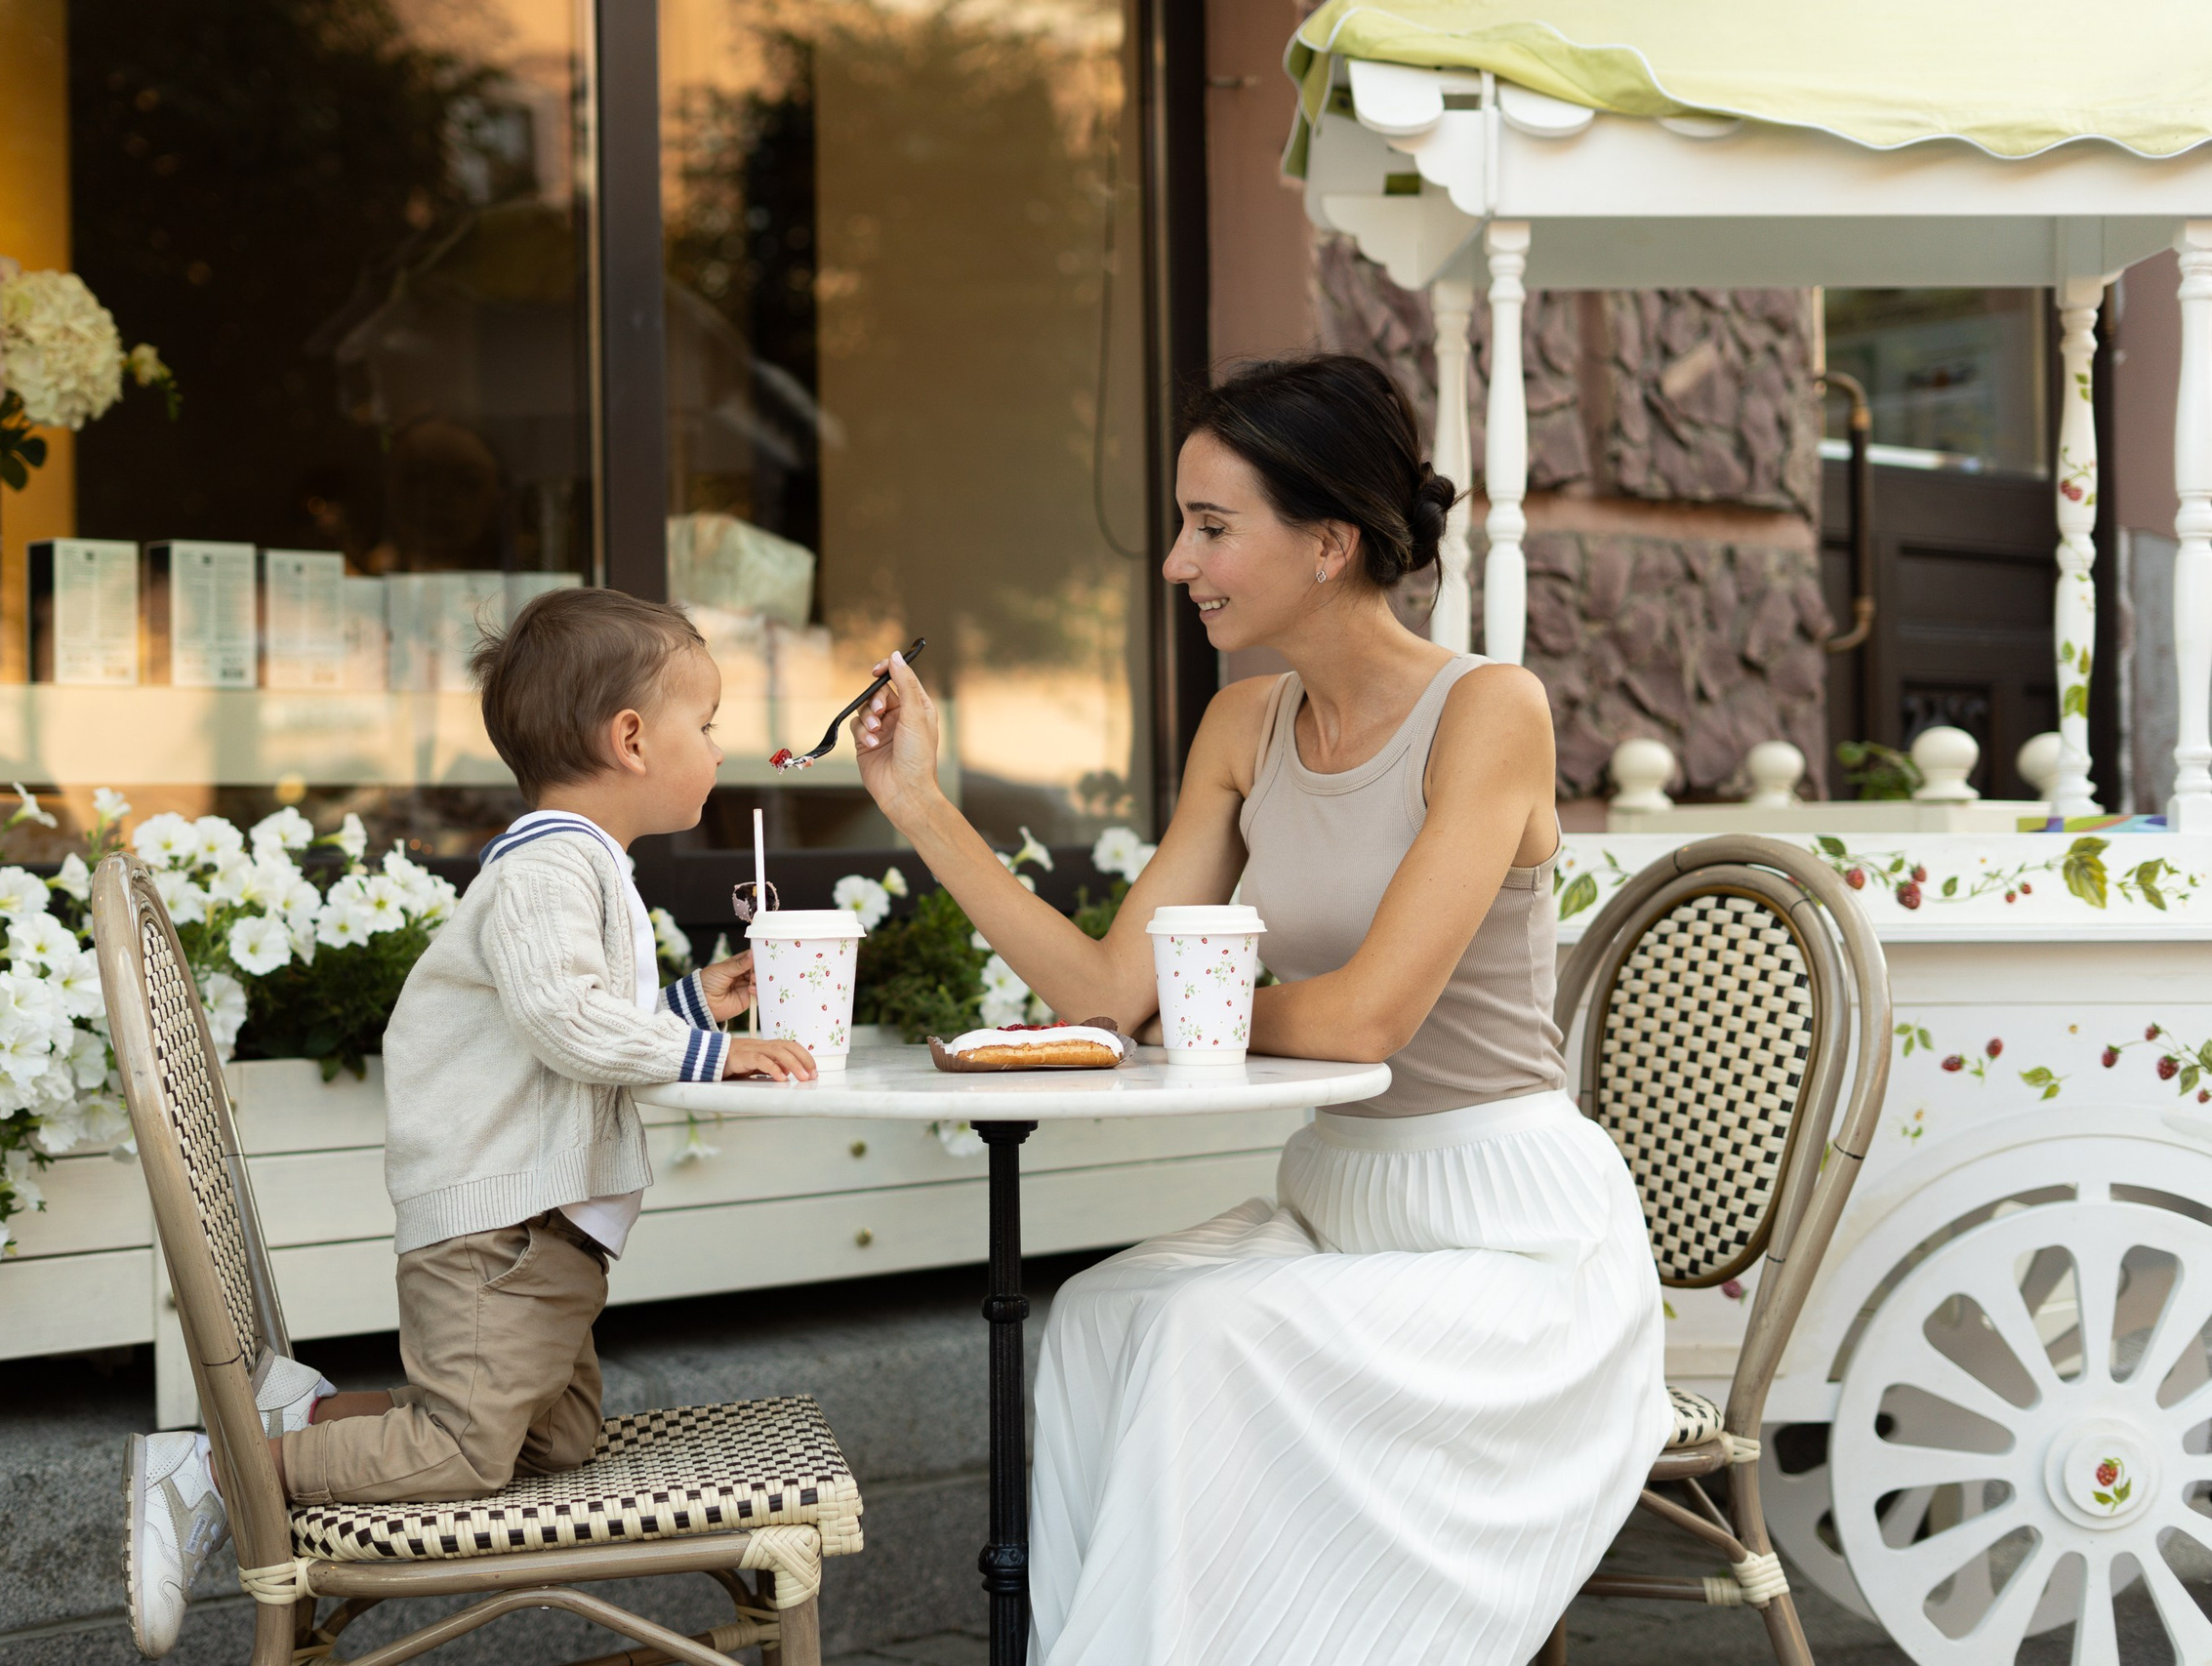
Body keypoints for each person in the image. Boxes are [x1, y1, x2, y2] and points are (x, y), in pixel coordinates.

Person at [852, 354, 1667, 1664]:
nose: (1179, 561)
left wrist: (1201, 1008)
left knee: (1201, 1331)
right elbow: (1114, 994)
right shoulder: (1245, 725)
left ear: (1331, 542)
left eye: (1213, 527)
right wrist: (919, 804)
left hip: (1513, 1242)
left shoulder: (1490, 710)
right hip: (1335, 1205)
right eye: (1187, 525)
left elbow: (1363, 1021)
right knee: (1107, 1316)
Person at [120, 587, 817, 1656]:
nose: (720, 747)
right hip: (504, 1238)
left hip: (548, 1244)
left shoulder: (580, 863)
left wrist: (687, 1008)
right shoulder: (545, 869)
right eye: (708, 724)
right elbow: (563, 1023)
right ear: (630, 739)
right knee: (459, 1452)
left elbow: (572, 1027)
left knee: (558, 1443)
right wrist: (713, 1051)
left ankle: (301, 1416)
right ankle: (216, 1464)